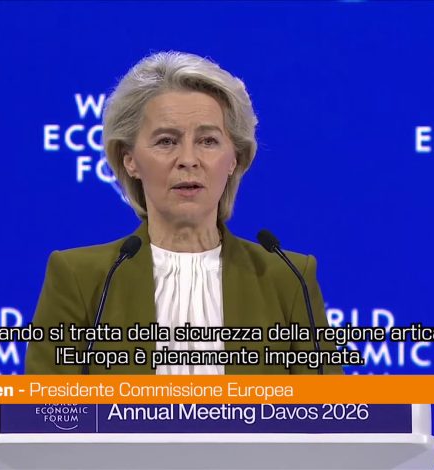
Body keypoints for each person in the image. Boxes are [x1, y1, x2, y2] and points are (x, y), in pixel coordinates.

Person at [25, 51, 342, 375]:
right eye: (166, 141)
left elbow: (329, 404)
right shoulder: (81, 278)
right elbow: (43, 405)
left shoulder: (288, 278)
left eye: (208, 141)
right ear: (129, 160)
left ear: (234, 159)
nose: (188, 159)